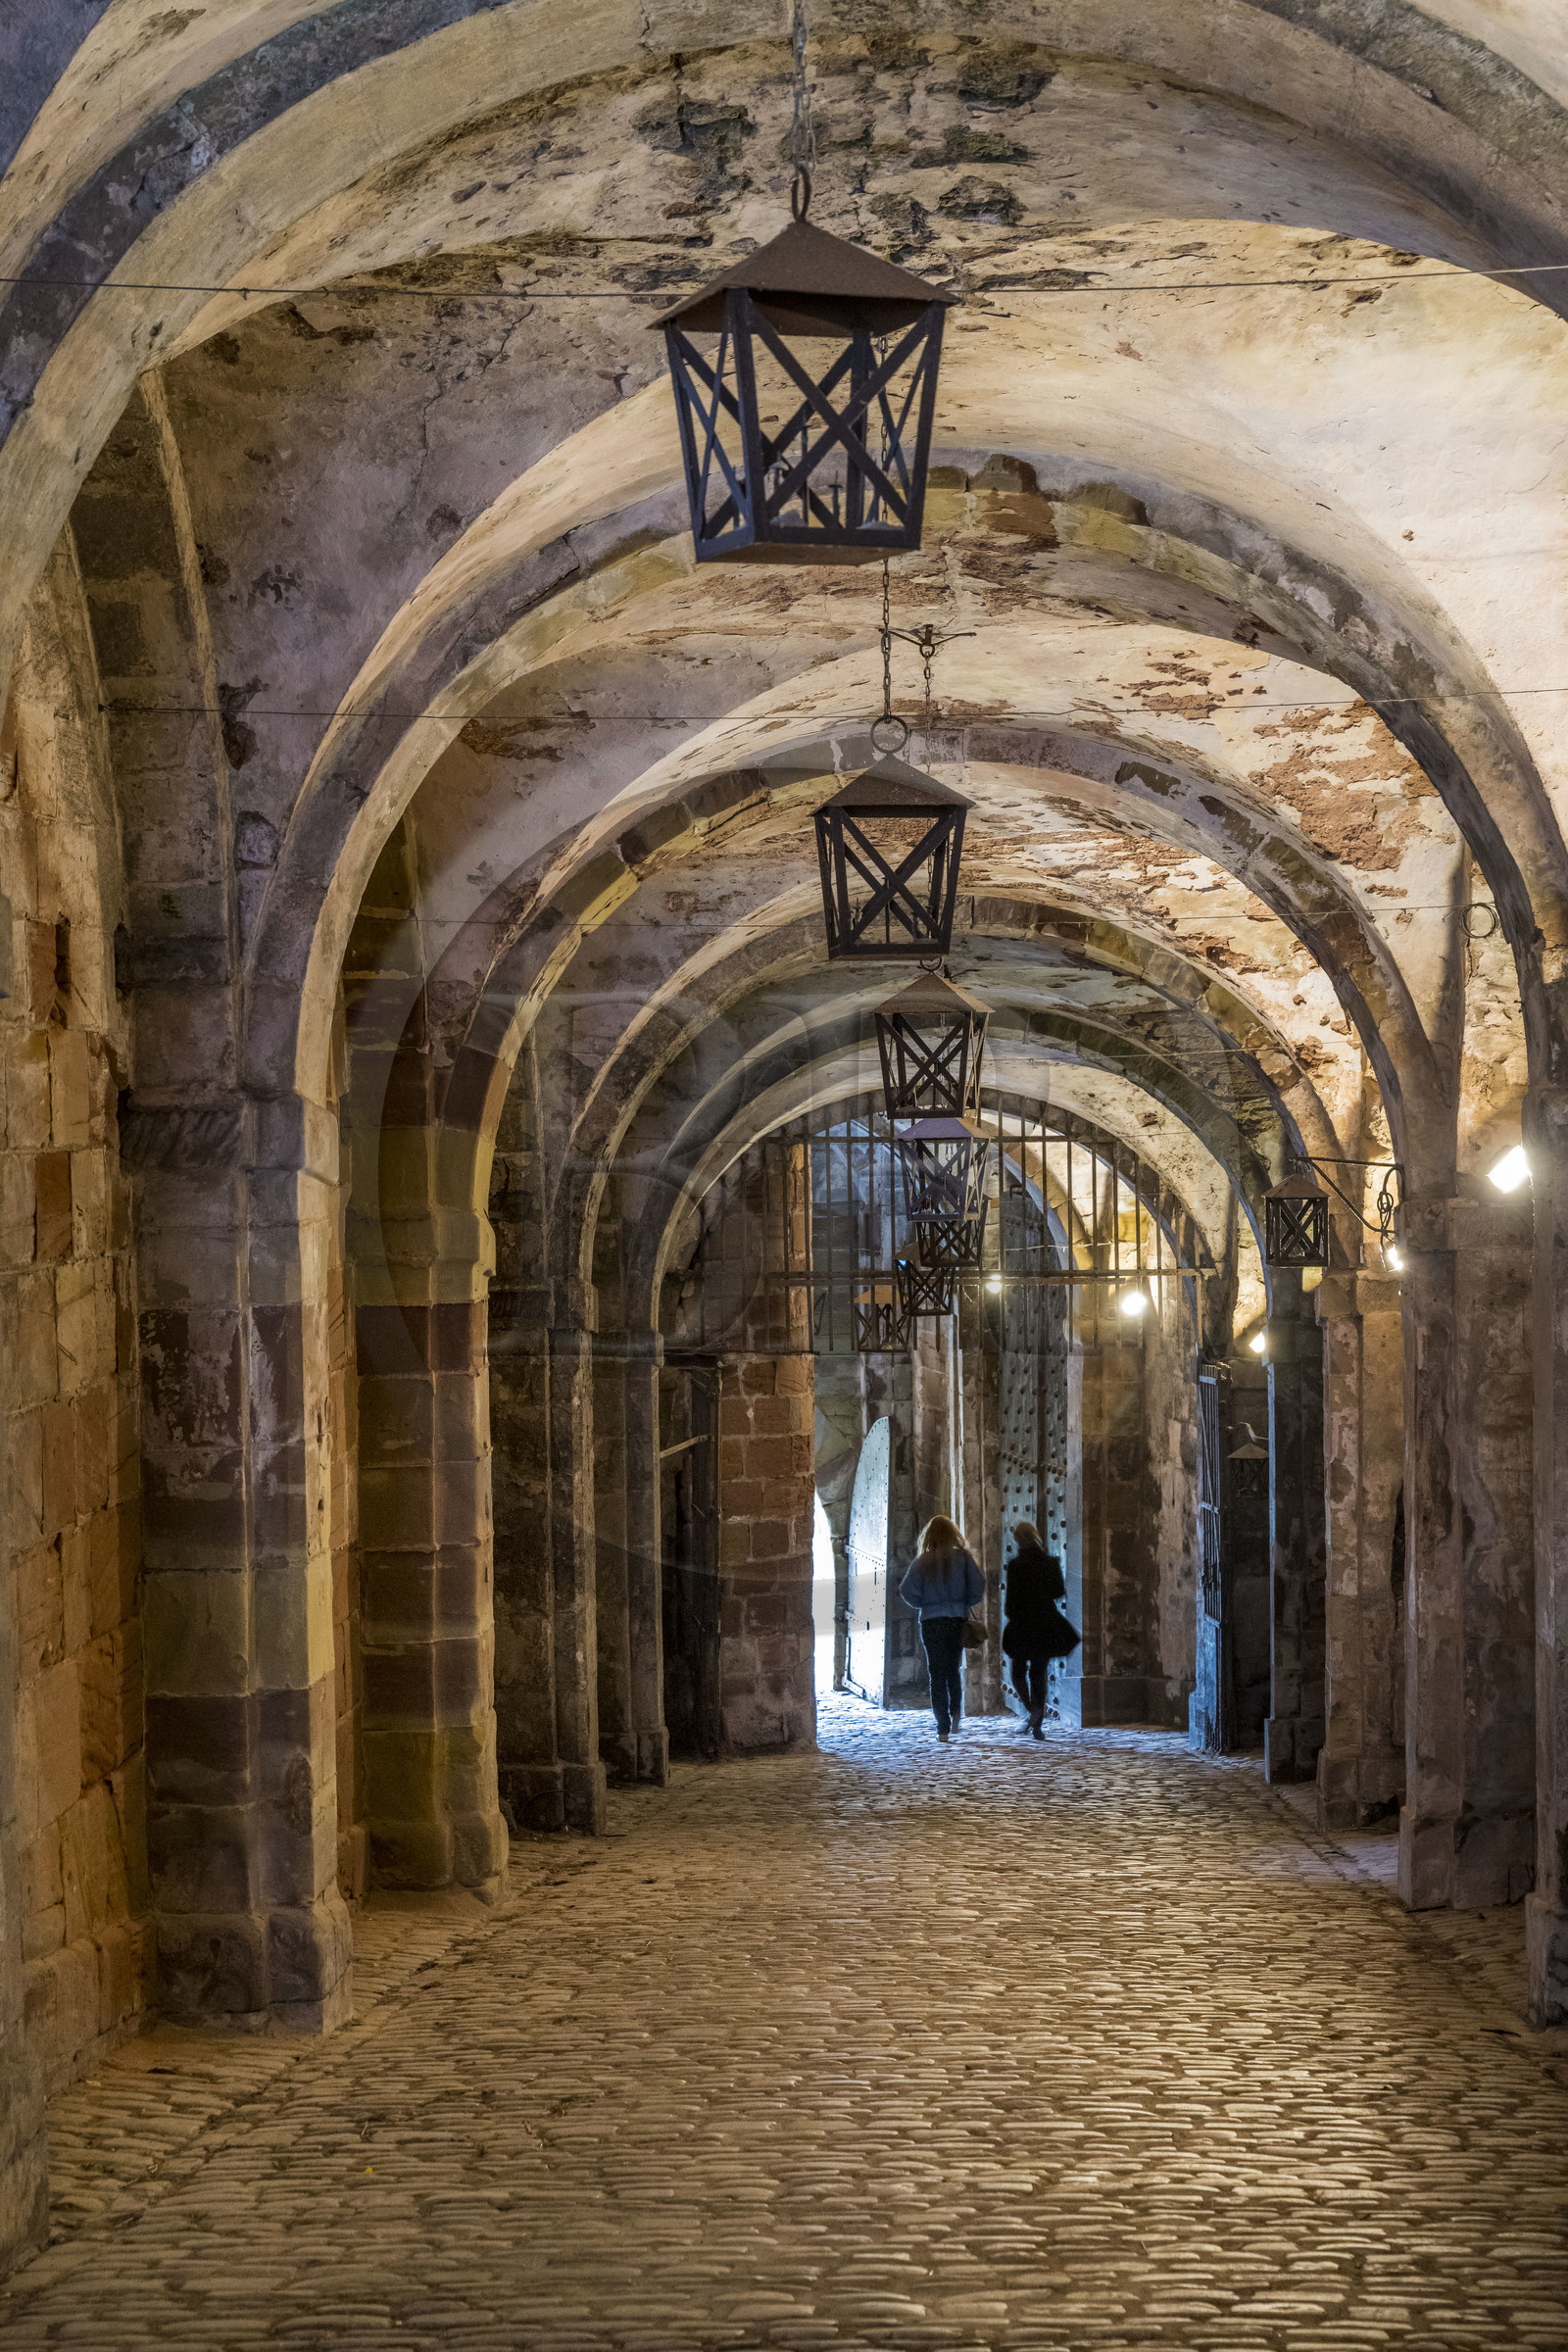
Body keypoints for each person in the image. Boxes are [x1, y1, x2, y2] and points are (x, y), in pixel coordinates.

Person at [899, 1513, 984, 1743]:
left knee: (936, 1674)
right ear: (952, 1535)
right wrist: (965, 1600)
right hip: (957, 1619)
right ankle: (955, 1714)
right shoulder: (964, 1559)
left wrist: (924, 1602)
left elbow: (907, 1590)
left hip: (931, 1621)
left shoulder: (922, 1561)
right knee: (953, 1670)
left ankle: (942, 1727)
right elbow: (978, 1586)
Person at [1002, 1520, 1079, 1739]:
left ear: (1018, 1540)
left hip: (1022, 1622)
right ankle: (1037, 1725)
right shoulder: (1049, 1562)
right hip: (1044, 1621)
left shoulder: (1016, 1565)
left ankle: (1032, 1709)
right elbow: (1058, 1591)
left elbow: (1011, 1600)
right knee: (1039, 1672)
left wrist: (1013, 1614)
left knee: (1017, 1671)